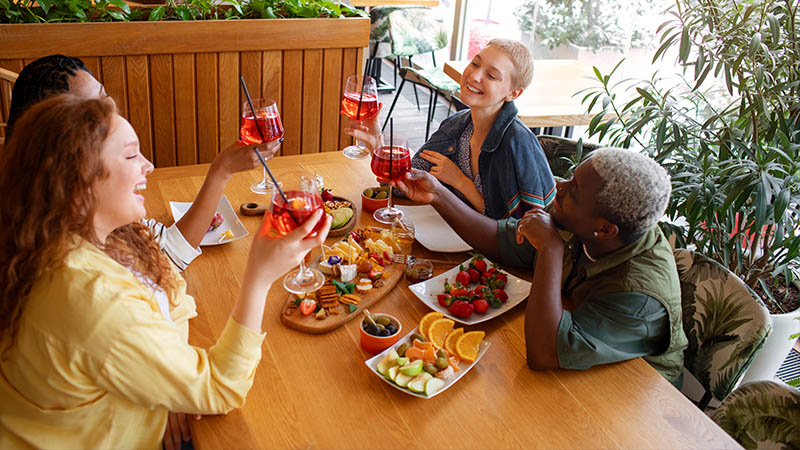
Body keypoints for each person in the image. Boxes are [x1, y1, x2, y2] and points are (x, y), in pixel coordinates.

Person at [0, 95, 331, 449]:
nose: (148, 165)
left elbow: (169, 287)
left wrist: (167, 380)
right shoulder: (93, 296)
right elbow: (220, 389)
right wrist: (259, 276)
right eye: (130, 155)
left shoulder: (77, 236)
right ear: (77, 180)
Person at [394, 148, 688, 385]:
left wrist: (550, 248)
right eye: (570, 178)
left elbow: (544, 353)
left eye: (573, 192)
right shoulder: (582, 219)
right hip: (574, 349)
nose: (559, 187)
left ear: (606, 230)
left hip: (634, 394)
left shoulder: (639, 297)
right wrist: (437, 195)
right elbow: (501, 240)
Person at [6, 54, 278, 270]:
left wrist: (222, 169)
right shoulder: (71, 261)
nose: (112, 114)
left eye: (105, 98)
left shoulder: (94, 207)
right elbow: (169, 258)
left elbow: (168, 251)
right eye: (94, 112)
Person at [347, 39, 555, 219]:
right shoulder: (457, 126)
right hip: (449, 237)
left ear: (513, 94)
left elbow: (520, 233)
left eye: (491, 76)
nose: (474, 76)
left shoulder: (518, 143)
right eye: (475, 64)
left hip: (494, 259)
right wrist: (377, 143)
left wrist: (461, 182)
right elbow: (404, 186)